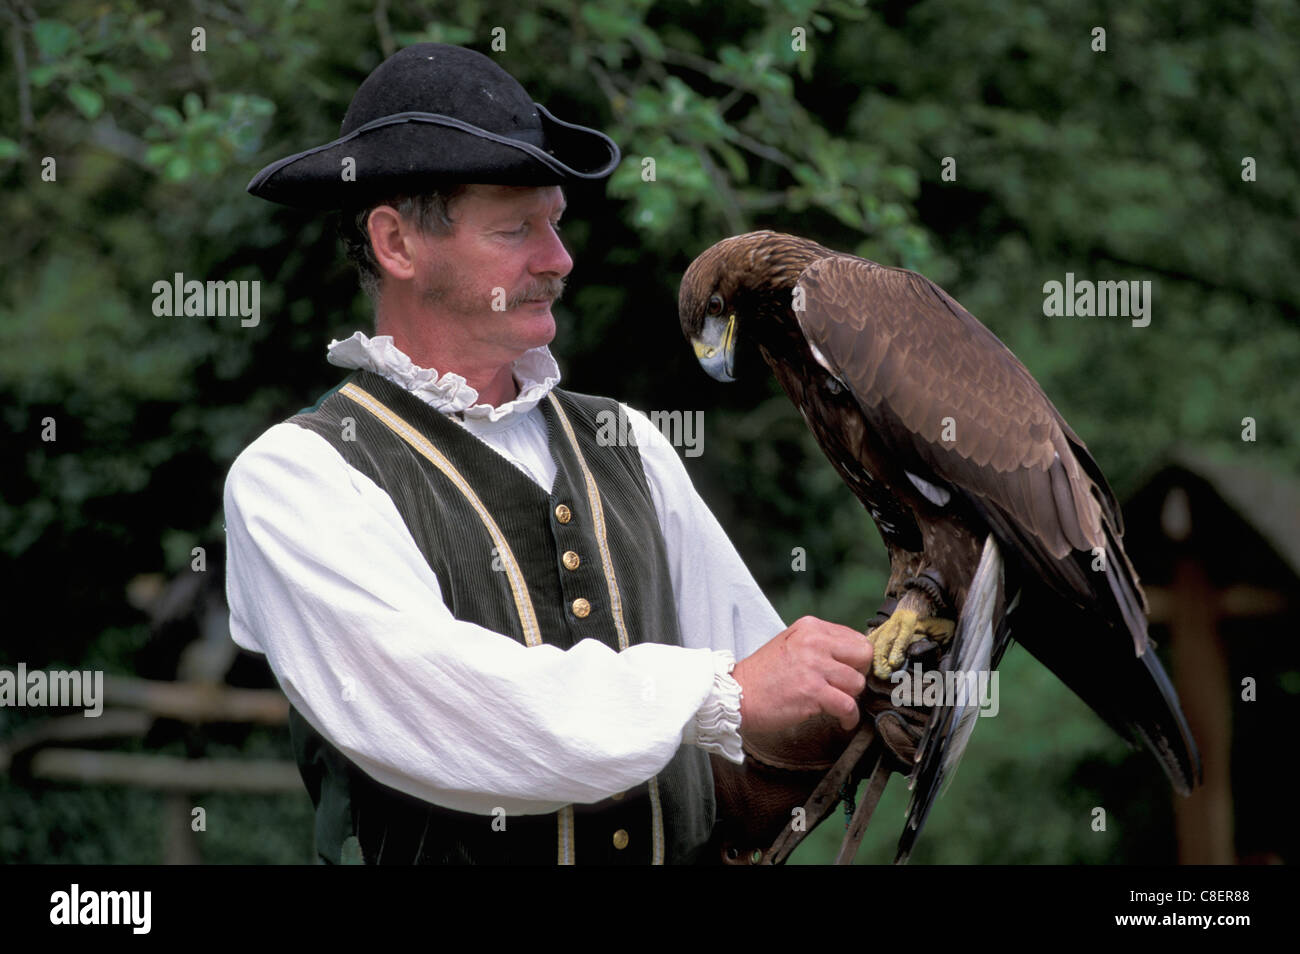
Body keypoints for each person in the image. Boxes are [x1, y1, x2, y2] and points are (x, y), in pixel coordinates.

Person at [225, 42, 872, 865]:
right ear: (396, 244)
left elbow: (763, 693)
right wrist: (722, 695)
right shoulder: (297, 479)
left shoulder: (627, 441)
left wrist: (861, 689)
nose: (557, 261)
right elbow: (445, 708)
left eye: (556, 224)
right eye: (514, 230)